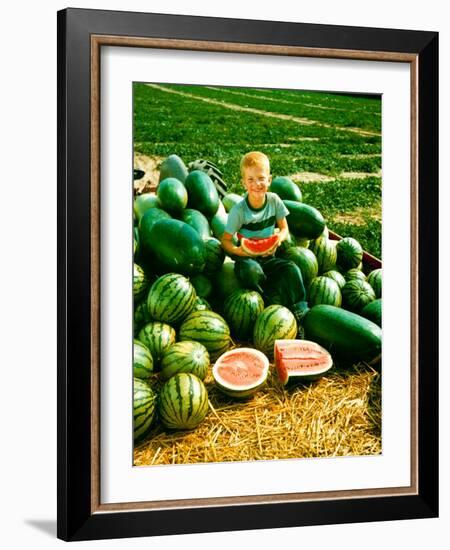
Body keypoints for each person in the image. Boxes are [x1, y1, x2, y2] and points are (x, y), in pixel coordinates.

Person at [221, 151, 306, 307]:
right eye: (251, 180)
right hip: (247, 260)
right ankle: (265, 301)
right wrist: (237, 251)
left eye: (261, 179)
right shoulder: (238, 211)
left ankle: (300, 307)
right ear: (244, 183)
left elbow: (284, 228)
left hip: (269, 258)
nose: (256, 184)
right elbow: (225, 240)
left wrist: (278, 239)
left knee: (292, 269)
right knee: (251, 272)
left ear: (269, 180)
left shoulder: (274, 201)